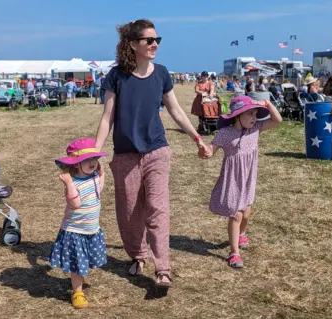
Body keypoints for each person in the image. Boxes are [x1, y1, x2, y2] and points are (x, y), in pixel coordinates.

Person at [95, 19, 211, 288]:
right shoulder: (116, 76)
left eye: (158, 39)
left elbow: (175, 111)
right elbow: (106, 118)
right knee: (129, 213)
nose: (155, 44)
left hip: (157, 150)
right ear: (134, 44)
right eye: (149, 40)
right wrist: (94, 153)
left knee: (157, 209)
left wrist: (197, 138)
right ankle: (138, 255)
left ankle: (163, 269)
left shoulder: (161, 73)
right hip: (125, 154)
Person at [203, 96, 282, 268]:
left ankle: (242, 233)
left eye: (255, 114)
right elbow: (211, 149)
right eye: (251, 114)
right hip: (232, 179)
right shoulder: (225, 134)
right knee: (236, 214)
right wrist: (206, 152)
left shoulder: (256, 129)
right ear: (238, 116)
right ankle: (234, 253)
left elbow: (277, 120)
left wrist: (268, 104)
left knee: (246, 213)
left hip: (248, 178)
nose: (255, 118)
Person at [50, 138, 108, 309]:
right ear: (76, 164)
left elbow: (99, 190)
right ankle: (77, 292)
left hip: (91, 230)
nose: (93, 163)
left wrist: (102, 174)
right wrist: (68, 183)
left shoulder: (93, 178)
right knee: (77, 266)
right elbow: (75, 204)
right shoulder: (73, 184)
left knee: (84, 261)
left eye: (95, 159)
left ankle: (79, 284)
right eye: (87, 160)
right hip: (75, 232)